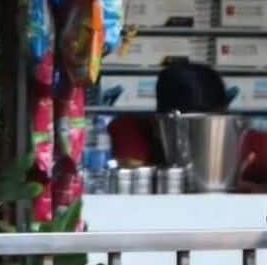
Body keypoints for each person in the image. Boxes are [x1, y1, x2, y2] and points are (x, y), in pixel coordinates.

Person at [107, 59, 265, 191]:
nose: (200, 142)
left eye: (209, 127)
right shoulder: (130, 130)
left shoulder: (243, 145)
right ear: (159, 122)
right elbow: (128, 182)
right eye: (188, 130)